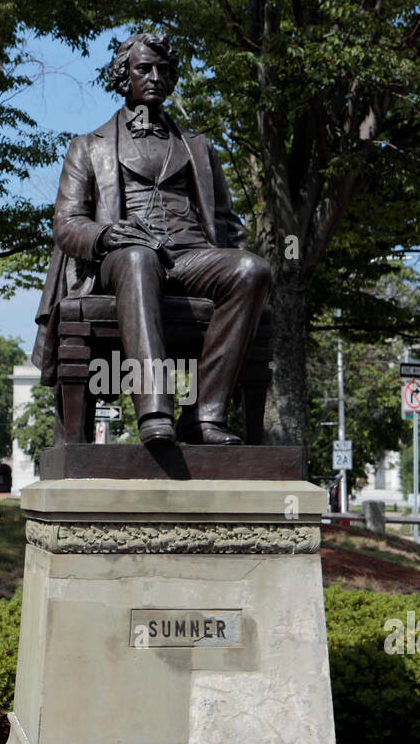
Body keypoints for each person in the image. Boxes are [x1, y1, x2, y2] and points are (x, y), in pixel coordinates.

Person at [32, 32, 271, 445]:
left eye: (163, 70)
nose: (155, 77)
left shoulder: (197, 147)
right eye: (144, 69)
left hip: (192, 256)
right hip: (123, 261)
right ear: (125, 77)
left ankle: (203, 416)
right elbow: (67, 224)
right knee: (139, 258)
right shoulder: (90, 146)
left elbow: (229, 224)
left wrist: (231, 254)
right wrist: (106, 233)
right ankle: (154, 410)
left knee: (253, 269)